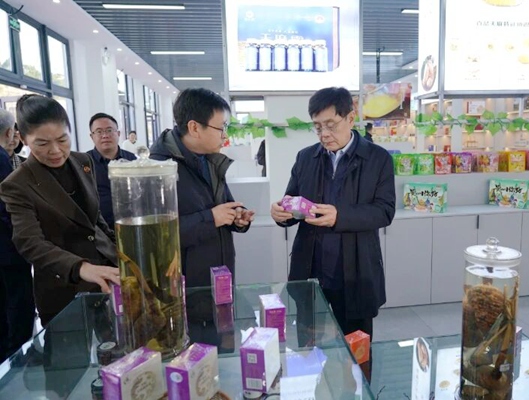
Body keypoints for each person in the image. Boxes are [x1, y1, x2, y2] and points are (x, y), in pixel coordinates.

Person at [270, 87, 395, 338]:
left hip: (355, 271)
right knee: (310, 344)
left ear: (350, 118)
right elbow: (292, 200)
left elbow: (384, 211)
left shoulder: (377, 159)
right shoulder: (306, 158)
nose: (324, 134)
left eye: (331, 125)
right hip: (310, 268)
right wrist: (281, 213)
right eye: (317, 127)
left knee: (356, 347)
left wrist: (340, 216)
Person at [0, 95, 120, 327]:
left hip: (108, 277)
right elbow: (29, 242)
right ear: (22, 138)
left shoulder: (83, 161)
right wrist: (80, 267)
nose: (55, 150)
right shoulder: (17, 184)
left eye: (62, 139)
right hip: (64, 290)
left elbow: (95, 220)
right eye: (42, 143)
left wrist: (122, 254)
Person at [150, 88, 255, 287]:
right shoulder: (158, 169)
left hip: (219, 275)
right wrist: (211, 218)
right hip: (186, 286)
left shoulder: (209, 160)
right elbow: (157, 236)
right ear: (194, 128)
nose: (225, 135)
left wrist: (237, 216)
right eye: (221, 128)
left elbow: (223, 205)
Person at [0, 110, 35, 362]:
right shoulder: (2, 160)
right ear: (9, 132)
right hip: (8, 251)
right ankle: (17, 359)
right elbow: (7, 209)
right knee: (17, 304)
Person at [87, 113, 136, 228]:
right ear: (92, 136)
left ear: (118, 134)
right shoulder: (84, 163)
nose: (105, 135)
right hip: (99, 230)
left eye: (109, 130)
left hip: (131, 225)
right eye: (99, 131)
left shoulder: (132, 160)